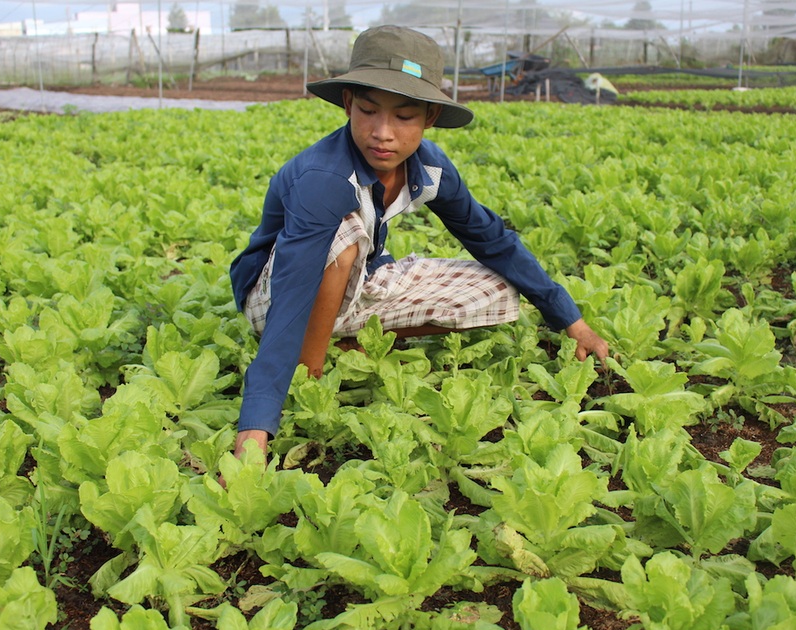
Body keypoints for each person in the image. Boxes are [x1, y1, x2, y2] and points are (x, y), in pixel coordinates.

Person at [229, 25, 609, 458]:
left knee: (499, 287)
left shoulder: (430, 170)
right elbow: (293, 290)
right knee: (345, 237)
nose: (383, 132)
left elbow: (491, 239)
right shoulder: (324, 177)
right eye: (368, 111)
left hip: (357, 281)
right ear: (348, 104)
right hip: (273, 295)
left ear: (429, 117)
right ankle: (308, 372)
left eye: (404, 117)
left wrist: (571, 320)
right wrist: (255, 428)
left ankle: (346, 335)